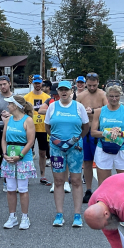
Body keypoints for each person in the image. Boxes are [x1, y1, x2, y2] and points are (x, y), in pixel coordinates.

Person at [44, 80, 90, 227]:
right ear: (58, 92)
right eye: (61, 90)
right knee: (58, 181)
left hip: (74, 148)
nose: (64, 92)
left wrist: (76, 141)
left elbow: (85, 126)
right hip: (56, 148)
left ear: (72, 91)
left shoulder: (79, 107)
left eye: (66, 90)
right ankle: (59, 214)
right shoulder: (52, 106)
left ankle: (77, 215)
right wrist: (57, 141)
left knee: (76, 181)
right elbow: (47, 127)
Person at [89, 84, 124, 185]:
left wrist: (121, 133)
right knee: (104, 183)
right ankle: (105, 201)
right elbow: (93, 132)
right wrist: (108, 133)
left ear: (120, 96)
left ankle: (122, 201)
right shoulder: (99, 111)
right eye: (111, 96)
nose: (114, 99)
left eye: (117, 96)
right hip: (103, 148)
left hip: (122, 148)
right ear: (107, 96)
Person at [1, 96, 37, 229]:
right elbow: (4, 139)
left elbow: (30, 141)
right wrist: (4, 154)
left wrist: (20, 156)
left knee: (22, 189)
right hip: (9, 158)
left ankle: (24, 217)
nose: (7, 106)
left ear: (15, 106)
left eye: (9, 104)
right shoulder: (8, 120)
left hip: (23, 159)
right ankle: (12, 217)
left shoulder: (28, 120)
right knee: (10, 189)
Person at [75, 72, 108, 203]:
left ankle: (102, 191)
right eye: (89, 85)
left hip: (98, 131)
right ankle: (88, 190)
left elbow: (107, 109)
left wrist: (93, 111)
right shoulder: (81, 96)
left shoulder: (103, 95)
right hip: (86, 131)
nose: (92, 88)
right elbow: (75, 110)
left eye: (94, 85)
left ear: (98, 83)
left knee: (101, 163)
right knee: (87, 162)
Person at [24, 75, 51, 185]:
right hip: (30, 128)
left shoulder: (47, 97)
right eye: (35, 83)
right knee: (27, 151)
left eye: (39, 83)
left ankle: (43, 175)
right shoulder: (27, 97)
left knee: (42, 152)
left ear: (42, 84)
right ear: (32, 84)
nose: (37, 85)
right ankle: (26, 174)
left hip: (43, 128)